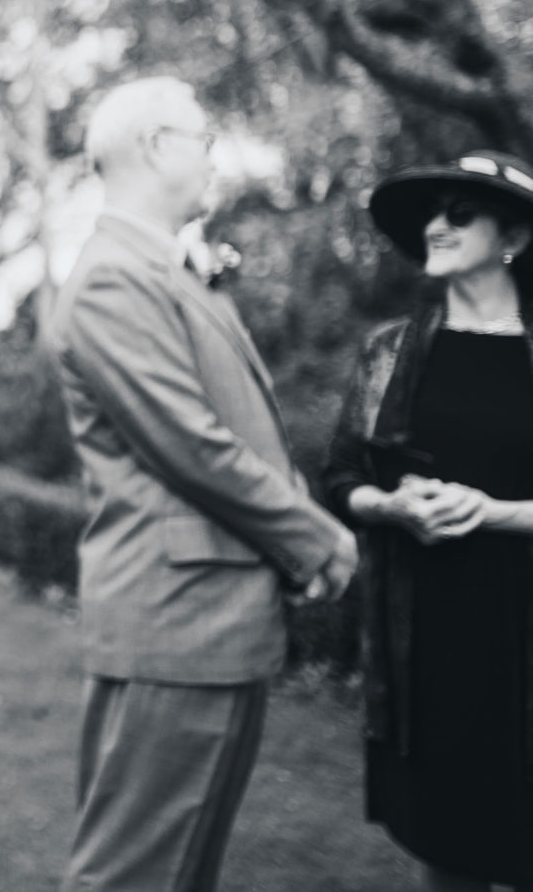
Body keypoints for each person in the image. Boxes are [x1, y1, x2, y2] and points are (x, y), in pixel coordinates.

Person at [48, 76, 358, 892]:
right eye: (203, 136)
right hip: (177, 625)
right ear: (155, 146)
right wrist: (315, 537)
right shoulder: (116, 277)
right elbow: (194, 445)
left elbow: (238, 425)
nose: (215, 152)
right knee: (135, 876)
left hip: (211, 621)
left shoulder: (168, 270)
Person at [324, 150, 533, 892]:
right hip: (434, 648)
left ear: (514, 235)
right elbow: (341, 479)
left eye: (461, 212)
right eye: (432, 214)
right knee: (448, 852)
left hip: (525, 637)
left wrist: (495, 512)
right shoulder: (390, 352)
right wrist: (393, 506)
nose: (437, 225)